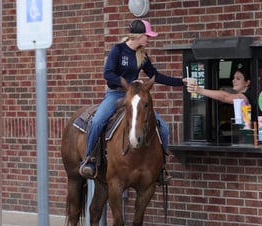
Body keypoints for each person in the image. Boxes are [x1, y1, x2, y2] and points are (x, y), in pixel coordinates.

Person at [79, 19, 188, 185]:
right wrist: (124, 83)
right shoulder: (118, 50)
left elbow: (155, 76)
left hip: (135, 97)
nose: (148, 39)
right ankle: (90, 159)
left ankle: (161, 168)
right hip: (116, 94)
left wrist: (181, 81)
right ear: (138, 35)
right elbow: (108, 74)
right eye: (147, 36)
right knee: (97, 121)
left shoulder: (142, 55)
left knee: (164, 128)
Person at [187, 66, 252, 106]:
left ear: (247, 82)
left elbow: (225, 97)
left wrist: (200, 90)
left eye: (238, 78)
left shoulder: (248, 95)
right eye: (234, 78)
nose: (233, 81)